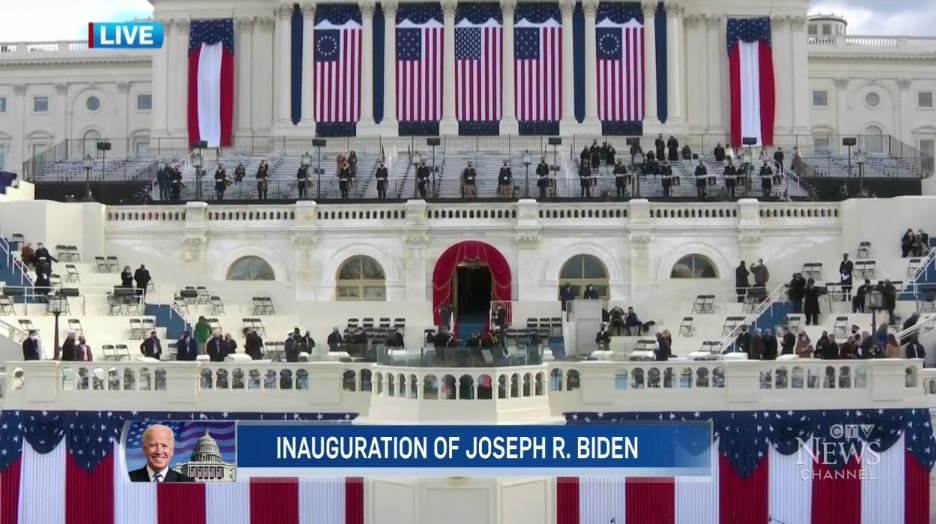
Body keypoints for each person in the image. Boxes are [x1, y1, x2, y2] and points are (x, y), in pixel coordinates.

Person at [127, 424, 195, 482]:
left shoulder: (188, 483)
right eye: (153, 445)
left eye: (164, 446)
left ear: (172, 450)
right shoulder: (127, 479)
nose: (159, 452)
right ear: (144, 449)